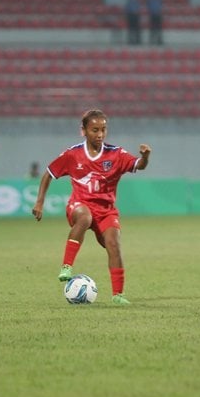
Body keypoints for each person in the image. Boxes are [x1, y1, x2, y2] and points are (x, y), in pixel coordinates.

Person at [32, 109, 152, 306]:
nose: (100, 134)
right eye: (95, 130)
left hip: (106, 210)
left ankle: (118, 295)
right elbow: (48, 173)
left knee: (113, 245)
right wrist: (39, 202)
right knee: (85, 217)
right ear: (84, 131)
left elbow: (138, 165)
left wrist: (145, 157)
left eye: (103, 130)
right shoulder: (73, 154)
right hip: (79, 206)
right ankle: (66, 266)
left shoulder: (116, 154)